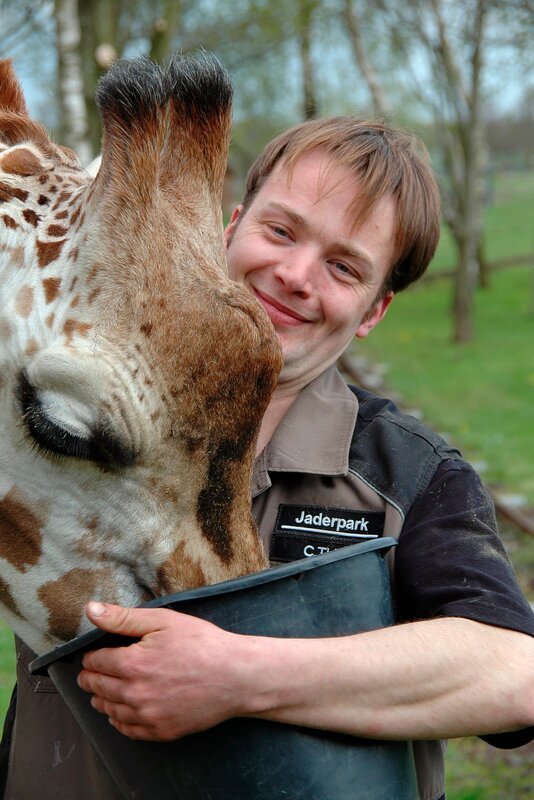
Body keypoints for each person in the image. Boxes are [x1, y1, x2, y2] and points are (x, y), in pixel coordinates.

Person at [4, 118, 534, 800]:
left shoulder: (408, 474)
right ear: (229, 228)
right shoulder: (75, 410)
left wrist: (242, 675)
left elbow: (517, 672)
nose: (294, 275)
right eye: (281, 232)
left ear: (374, 311)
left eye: (344, 267)